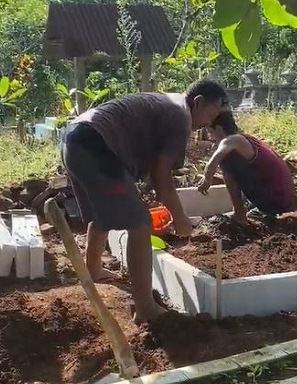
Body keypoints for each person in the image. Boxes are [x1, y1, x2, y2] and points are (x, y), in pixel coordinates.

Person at [61, 79, 229, 323]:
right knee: (140, 224)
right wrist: (180, 218)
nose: (209, 123)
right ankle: (145, 309)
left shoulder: (169, 104)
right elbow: (162, 176)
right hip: (93, 143)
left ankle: (94, 269)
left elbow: (153, 170)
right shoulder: (180, 115)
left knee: (102, 211)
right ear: (198, 102)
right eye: (211, 115)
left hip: (74, 138)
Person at [197, 110, 295, 223]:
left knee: (226, 165)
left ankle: (241, 214)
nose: (210, 138)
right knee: (229, 165)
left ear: (219, 129)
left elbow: (212, 163)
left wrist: (207, 180)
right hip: (283, 197)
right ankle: (243, 212)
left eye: (210, 132)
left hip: (276, 200)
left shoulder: (232, 140)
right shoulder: (245, 139)